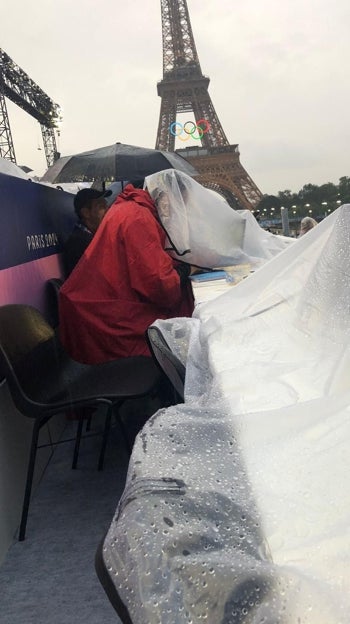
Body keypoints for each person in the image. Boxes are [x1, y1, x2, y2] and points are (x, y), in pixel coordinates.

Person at [59, 181, 194, 364]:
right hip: (107, 322)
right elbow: (160, 285)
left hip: (97, 315)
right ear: (164, 198)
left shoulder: (130, 211)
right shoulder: (138, 217)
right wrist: (188, 269)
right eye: (178, 204)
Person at [62, 187, 110, 278]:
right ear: (86, 213)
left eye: (106, 205)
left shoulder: (92, 237)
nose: (108, 210)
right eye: (101, 207)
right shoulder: (79, 244)